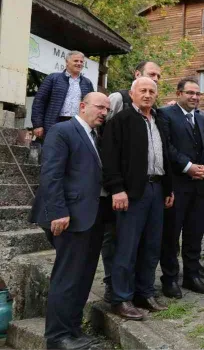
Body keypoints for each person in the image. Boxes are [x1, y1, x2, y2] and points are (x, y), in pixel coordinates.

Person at [30, 92, 109, 350]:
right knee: (67, 277)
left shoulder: (95, 136)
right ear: (83, 106)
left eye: (107, 109)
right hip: (68, 217)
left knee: (83, 277)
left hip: (90, 217)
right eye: (100, 107)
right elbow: (51, 174)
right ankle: (57, 337)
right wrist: (58, 212)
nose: (104, 113)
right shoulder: (62, 130)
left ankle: (73, 331)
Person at [101, 78, 174, 319]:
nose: (147, 94)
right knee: (127, 247)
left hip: (156, 188)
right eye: (142, 90)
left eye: (151, 91)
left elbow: (165, 157)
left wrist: (168, 189)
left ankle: (144, 292)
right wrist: (117, 189)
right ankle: (121, 298)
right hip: (131, 192)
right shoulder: (120, 120)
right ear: (131, 94)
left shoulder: (159, 120)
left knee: (152, 246)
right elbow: (109, 158)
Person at [157, 78, 204, 299]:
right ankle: (170, 279)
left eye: (198, 94)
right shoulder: (166, 114)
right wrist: (188, 167)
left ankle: (192, 275)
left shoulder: (202, 119)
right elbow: (166, 146)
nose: (195, 97)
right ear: (179, 93)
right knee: (172, 236)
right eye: (190, 93)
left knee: (195, 233)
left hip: (200, 186)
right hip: (177, 185)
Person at [31, 50, 94, 140]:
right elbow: (39, 101)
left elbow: (91, 106)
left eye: (81, 61)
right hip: (55, 122)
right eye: (76, 61)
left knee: (74, 152)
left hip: (78, 123)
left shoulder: (87, 83)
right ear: (67, 62)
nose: (79, 63)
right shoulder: (53, 78)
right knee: (54, 151)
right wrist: (38, 124)